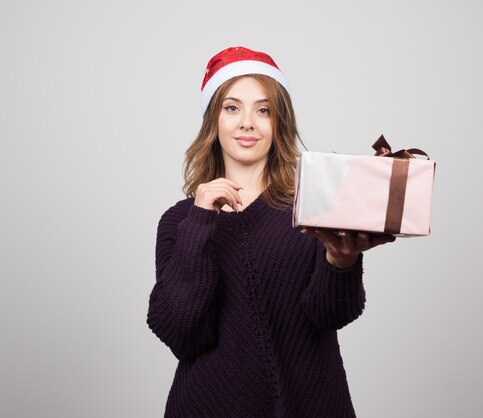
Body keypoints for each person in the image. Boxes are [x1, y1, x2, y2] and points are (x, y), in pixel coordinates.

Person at [147, 46, 395, 417]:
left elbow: (330, 315)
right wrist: (200, 223)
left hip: (312, 405)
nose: (247, 122)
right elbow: (181, 332)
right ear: (213, 120)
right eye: (232, 108)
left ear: (279, 123)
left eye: (263, 110)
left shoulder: (314, 208)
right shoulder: (180, 222)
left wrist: (341, 262)